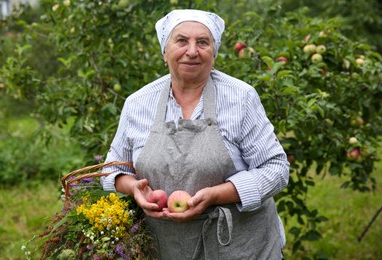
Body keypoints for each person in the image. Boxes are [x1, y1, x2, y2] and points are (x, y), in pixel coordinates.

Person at [101, 9, 289, 260]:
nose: (192, 51)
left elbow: (276, 168)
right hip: (166, 248)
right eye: (181, 41)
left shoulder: (240, 98)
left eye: (202, 42)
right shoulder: (138, 103)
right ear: (164, 51)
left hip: (240, 247)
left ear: (214, 52)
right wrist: (134, 188)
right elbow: (112, 169)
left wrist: (216, 195)